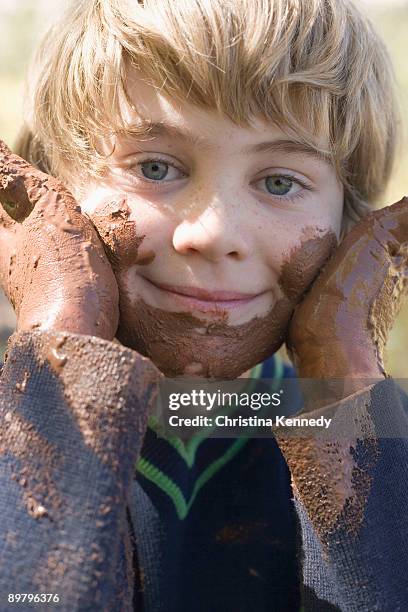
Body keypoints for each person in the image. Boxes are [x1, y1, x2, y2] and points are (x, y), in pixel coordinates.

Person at [0, 0, 407, 610]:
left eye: (279, 182)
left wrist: (342, 379)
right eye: (156, 167)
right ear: (47, 187)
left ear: (349, 220)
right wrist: (64, 343)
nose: (214, 234)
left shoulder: (383, 438)